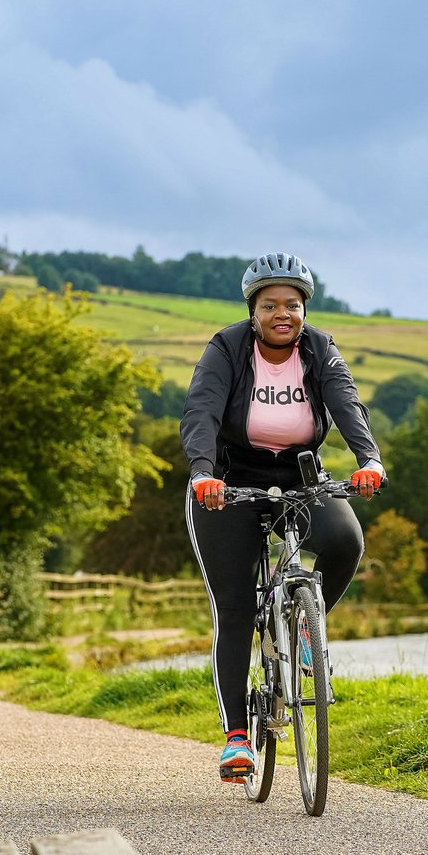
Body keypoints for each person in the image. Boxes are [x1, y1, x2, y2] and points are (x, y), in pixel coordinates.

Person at [181, 251, 384, 781]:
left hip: (299, 476)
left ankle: (305, 631)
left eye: (291, 305)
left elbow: (345, 401)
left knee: (345, 542)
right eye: (270, 305)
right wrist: (203, 472)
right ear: (253, 310)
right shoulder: (227, 348)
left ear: (303, 309)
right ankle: (235, 740)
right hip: (227, 483)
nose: (282, 314)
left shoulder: (318, 348)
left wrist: (369, 459)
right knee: (236, 610)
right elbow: (201, 410)